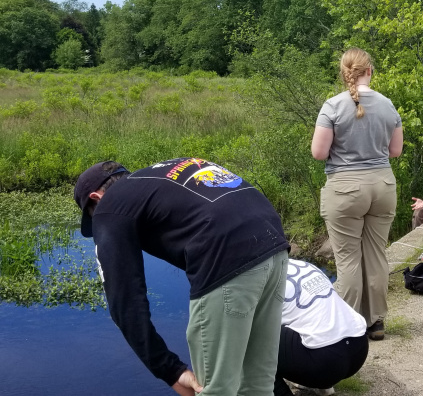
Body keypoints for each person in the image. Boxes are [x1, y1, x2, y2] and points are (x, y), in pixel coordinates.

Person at [73, 158, 290, 395]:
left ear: (96, 198)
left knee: (215, 390)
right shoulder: (159, 175)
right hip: (275, 246)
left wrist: (171, 371)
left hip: (226, 258)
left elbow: (125, 303)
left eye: (93, 217)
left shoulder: (109, 206)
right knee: (257, 385)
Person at [311, 47, 403, 342]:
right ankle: (376, 321)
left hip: (345, 188)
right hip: (383, 186)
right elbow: (395, 151)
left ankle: (348, 326)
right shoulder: (388, 105)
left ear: (344, 73)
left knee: (347, 259)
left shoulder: (333, 106)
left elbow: (319, 152)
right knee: (376, 255)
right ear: (370, 71)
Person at [274, 259, 369, 396]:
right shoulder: (303, 265)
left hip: (323, 362)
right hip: (359, 347)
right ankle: (324, 386)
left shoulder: (258, 279)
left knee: (251, 339)